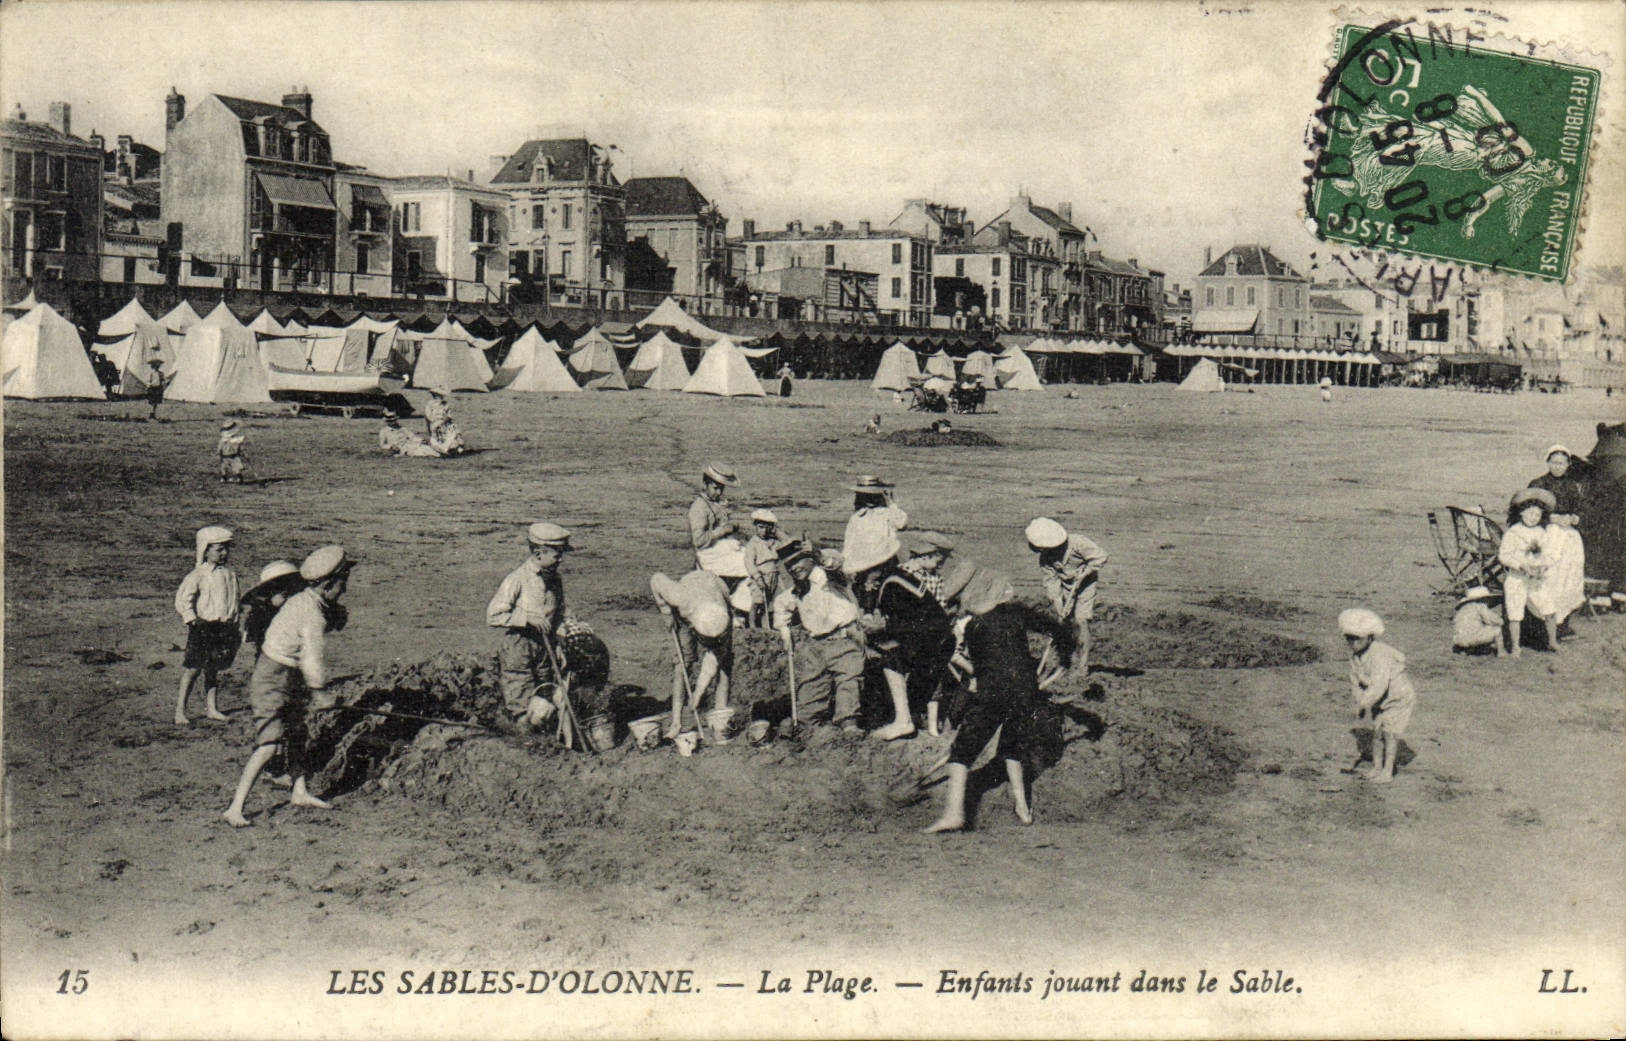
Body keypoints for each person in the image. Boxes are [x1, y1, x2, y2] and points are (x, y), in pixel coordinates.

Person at [223, 545, 353, 826]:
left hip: (286, 676)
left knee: (296, 735)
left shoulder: (304, 601)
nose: (344, 590)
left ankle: (299, 791)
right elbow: (312, 659)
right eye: (342, 583)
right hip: (272, 679)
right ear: (329, 584)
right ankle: (235, 807)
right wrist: (320, 693)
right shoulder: (312, 616)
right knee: (269, 744)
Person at [922, 561, 1044, 833]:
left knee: (961, 752)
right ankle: (1022, 808)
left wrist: (977, 678)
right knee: (1012, 750)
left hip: (993, 691)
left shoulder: (971, 624)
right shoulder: (1013, 615)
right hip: (1025, 691)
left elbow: (971, 661)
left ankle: (954, 814)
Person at [486, 523, 577, 734]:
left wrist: (562, 636)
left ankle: (549, 738)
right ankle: (524, 739)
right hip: (519, 645)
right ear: (538, 554)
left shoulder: (555, 579)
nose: (561, 559)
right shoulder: (516, 579)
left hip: (545, 646)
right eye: (557, 555)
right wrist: (526, 618)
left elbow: (560, 612)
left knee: (545, 693)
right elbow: (493, 615)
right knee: (521, 696)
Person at [772, 541, 864, 734]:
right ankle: (809, 727)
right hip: (815, 646)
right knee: (810, 689)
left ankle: (848, 725)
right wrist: (784, 631)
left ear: (810, 558)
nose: (794, 568)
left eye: (798, 561)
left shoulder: (829, 577)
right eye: (789, 565)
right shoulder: (798, 589)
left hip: (844, 640)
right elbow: (781, 605)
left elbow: (838, 563)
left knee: (847, 681)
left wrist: (819, 555)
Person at [650, 570, 733, 742]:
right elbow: (656, 579)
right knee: (683, 661)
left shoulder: (723, 622)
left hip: (716, 588)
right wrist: (665, 611)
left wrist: (697, 694)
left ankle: (720, 714)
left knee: (722, 660)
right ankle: (676, 721)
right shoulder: (679, 597)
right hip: (691, 590)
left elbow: (712, 661)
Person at [1338, 608, 1417, 784]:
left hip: (1397, 698)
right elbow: (1355, 682)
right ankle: (1376, 767)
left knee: (1389, 732)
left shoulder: (1380, 653)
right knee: (1377, 732)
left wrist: (1364, 703)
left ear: (1370, 637)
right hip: (1378, 700)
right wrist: (1358, 701)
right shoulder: (1355, 657)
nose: (1353, 643)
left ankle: (1387, 771)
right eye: (1348, 638)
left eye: (1357, 638)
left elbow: (1379, 685)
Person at [1026, 517, 1109, 681]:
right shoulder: (1045, 558)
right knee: (1064, 621)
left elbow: (1101, 557)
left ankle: (1082, 666)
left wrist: (1085, 572)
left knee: (1080, 620)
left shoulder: (1078, 543)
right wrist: (1059, 605)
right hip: (1065, 586)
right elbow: (1051, 583)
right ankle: (1064, 661)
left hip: (1085, 584)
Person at [174, 525, 241, 726]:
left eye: (226, 549)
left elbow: (234, 599)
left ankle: (212, 708)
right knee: (193, 669)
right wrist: (192, 619)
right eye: (218, 549)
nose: (223, 553)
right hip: (204, 628)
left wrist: (234, 621)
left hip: (224, 628)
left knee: (213, 669)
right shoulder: (199, 574)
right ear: (206, 550)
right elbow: (183, 599)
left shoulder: (230, 573)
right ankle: (180, 711)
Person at [898, 531, 955, 734]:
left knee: (934, 676)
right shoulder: (904, 574)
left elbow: (940, 607)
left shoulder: (934, 578)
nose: (942, 562)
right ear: (928, 554)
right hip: (909, 634)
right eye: (940, 557)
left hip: (931, 635)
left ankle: (930, 725)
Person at [1527, 445, 1588, 628]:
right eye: (1554, 463)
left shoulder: (1572, 486)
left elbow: (1581, 510)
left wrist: (1572, 518)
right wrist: (1550, 518)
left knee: (1568, 572)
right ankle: (1539, 618)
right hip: (1545, 531)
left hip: (1567, 535)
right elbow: (1526, 509)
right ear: (1548, 462)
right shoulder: (1538, 484)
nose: (1557, 467)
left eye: (1561, 463)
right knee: (1548, 573)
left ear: (1568, 465)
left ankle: (1562, 620)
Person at [1498, 487, 1561, 655]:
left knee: (1548, 607)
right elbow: (1504, 556)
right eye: (1530, 513)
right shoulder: (1513, 532)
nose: (1533, 518)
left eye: (1537, 515)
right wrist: (1520, 565)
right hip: (1517, 578)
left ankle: (1552, 641)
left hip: (1537, 579)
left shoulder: (1542, 532)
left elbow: (1551, 554)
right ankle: (1516, 646)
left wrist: (1543, 566)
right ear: (1521, 513)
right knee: (1515, 612)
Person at [841, 475, 907, 611]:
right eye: (865, 496)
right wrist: (846, 564)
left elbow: (901, 523)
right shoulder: (857, 518)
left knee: (889, 591)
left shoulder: (887, 513)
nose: (869, 500)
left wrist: (891, 503)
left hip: (885, 561)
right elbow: (849, 544)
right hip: (864, 563)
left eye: (872, 496)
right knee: (864, 593)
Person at [689, 463, 749, 581]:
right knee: (748, 564)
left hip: (720, 549)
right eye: (715, 488)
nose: (719, 493)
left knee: (753, 555)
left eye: (721, 488)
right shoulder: (699, 508)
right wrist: (723, 530)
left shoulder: (716, 503)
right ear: (705, 484)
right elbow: (699, 541)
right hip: (708, 555)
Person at [239, 560, 304, 662]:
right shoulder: (261, 606)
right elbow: (256, 628)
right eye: (279, 583)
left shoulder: (297, 599)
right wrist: (271, 605)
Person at [742, 509, 786, 628]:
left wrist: (777, 533)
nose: (764, 531)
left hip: (773, 575)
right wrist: (757, 577)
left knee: (768, 603)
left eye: (767, 527)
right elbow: (749, 563)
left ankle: (765, 627)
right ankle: (752, 626)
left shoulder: (773, 542)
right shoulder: (753, 544)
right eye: (761, 527)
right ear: (755, 526)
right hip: (761, 576)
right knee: (757, 602)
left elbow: (786, 543)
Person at [1452, 586, 1505, 656]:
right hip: (1472, 638)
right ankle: (1501, 653)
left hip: (1458, 639)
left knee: (1473, 629)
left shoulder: (1462, 609)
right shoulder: (1480, 606)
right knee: (1497, 630)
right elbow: (1493, 620)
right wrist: (1501, 620)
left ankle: (1464, 650)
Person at [423, 388, 468, 456]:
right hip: (436, 424)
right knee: (439, 437)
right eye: (438, 395)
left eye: (441, 395)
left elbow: (449, 416)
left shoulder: (445, 404)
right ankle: (445, 448)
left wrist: (446, 420)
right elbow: (428, 417)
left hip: (445, 423)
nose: (440, 397)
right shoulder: (430, 404)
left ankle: (454, 447)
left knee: (453, 432)